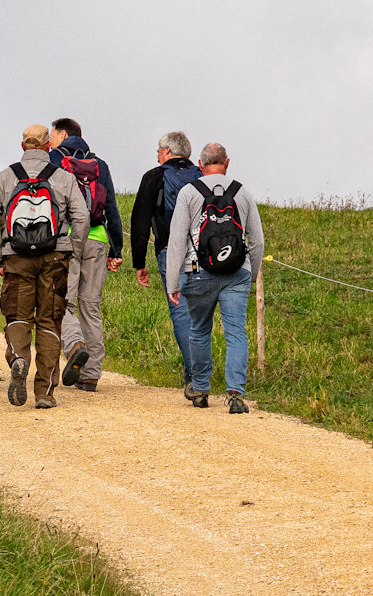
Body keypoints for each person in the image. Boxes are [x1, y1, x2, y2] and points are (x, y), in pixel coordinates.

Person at [0, 125, 88, 409]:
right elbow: (81, 217)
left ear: (22, 146)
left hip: (16, 258)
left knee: (17, 317)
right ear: (47, 148)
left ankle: (18, 359)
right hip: (55, 258)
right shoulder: (63, 177)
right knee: (49, 321)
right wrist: (72, 249)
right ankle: (44, 392)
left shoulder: (6, 177)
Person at [165, 142, 265, 413]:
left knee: (199, 330)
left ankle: (200, 388)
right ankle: (235, 393)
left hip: (199, 272)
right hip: (237, 272)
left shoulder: (189, 192)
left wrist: (173, 281)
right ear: (227, 163)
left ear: (200, 164)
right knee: (236, 333)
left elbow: (176, 240)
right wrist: (251, 275)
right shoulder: (241, 192)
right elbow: (256, 240)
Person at [47, 117, 123, 392]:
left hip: (66, 239)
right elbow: (111, 206)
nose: (50, 140)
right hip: (97, 238)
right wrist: (117, 249)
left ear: (63, 134)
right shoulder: (99, 164)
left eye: (52, 135)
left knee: (63, 303)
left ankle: (75, 345)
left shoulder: (53, 160)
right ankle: (90, 375)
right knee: (90, 306)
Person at [129, 131, 202, 390]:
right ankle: (198, 372)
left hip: (170, 251)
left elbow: (139, 222)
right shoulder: (201, 176)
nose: (157, 156)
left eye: (159, 151)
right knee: (200, 314)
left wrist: (139, 263)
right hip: (204, 254)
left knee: (181, 311)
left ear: (168, 152)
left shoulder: (154, 177)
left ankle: (195, 375)